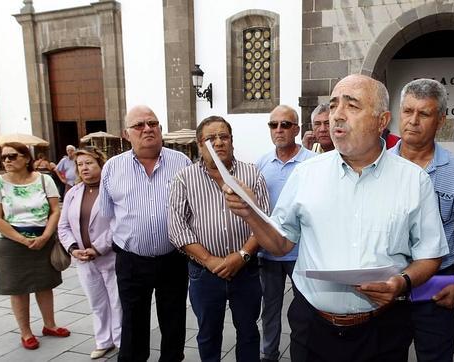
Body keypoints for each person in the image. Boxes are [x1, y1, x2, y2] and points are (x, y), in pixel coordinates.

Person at [224, 74, 448, 361]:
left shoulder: (413, 180)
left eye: (352, 106)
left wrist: (402, 283)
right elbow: (280, 244)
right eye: (333, 106)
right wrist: (250, 213)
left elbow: (430, 255)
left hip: (382, 332)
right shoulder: (306, 174)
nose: (337, 116)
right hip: (312, 329)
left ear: (382, 121)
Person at [389, 78, 454, 361]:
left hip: (436, 285)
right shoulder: (379, 166)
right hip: (388, 279)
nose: (413, 121)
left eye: (424, 113)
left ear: (440, 120)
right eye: (407, 111)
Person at [168, 116, 270, 361]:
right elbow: (176, 227)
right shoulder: (184, 178)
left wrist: (242, 255)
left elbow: (265, 219)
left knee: (248, 330)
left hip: (246, 271)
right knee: (208, 333)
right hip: (204, 273)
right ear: (200, 145)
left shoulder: (251, 173)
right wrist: (209, 260)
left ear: (232, 141)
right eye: (211, 138)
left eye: (224, 136)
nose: (219, 142)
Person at [99, 105, 191, 362]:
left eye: (152, 123)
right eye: (139, 125)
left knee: (174, 319)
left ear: (160, 129)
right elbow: (107, 215)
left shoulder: (181, 163)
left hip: (173, 258)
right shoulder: (112, 168)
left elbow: (191, 210)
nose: (147, 129)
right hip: (131, 261)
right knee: (133, 321)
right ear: (126, 133)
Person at [0, 142, 69, 350]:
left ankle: (49, 325)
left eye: (12, 156)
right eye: (4, 157)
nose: (7, 160)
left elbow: (55, 210)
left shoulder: (45, 180)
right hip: (12, 244)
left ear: (26, 158)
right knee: (18, 289)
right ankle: (25, 332)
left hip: (43, 240)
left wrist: (46, 236)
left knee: (45, 285)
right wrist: (23, 240)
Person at [256, 105, 316, 362]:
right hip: (268, 253)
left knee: (305, 308)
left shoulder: (313, 164)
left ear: (297, 129)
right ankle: (268, 354)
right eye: (274, 125)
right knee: (270, 308)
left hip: (301, 252)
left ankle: (304, 353)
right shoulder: (261, 164)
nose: (279, 130)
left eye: (285, 124)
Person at [58, 146, 121, 359]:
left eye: (89, 163)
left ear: (101, 165)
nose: (84, 168)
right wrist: (73, 249)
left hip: (109, 256)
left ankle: (122, 341)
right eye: (80, 164)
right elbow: (63, 226)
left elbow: (119, 223)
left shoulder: (112, 190)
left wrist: (99, 248)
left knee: (117, 301)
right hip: (83, 259)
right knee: (97, 302)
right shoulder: (73, 193)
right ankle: (104, 341)